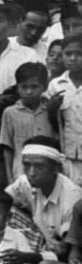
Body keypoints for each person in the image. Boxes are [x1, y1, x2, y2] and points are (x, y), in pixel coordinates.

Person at [0, 62, 54, 183]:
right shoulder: (10, 112)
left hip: (47, 173)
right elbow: (8, 147)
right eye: (24, 87)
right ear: (18, 87)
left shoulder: (51, 110)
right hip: (20, 172)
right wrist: (9, 178)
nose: (29, 92)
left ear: (44, 87)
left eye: (34, 87)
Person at [46, 33, 82, 185]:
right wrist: (52, 109)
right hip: (67, 156)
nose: (73, 58)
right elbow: (53, 124)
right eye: (68, 54)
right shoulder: (56, 85)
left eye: (79, 54)